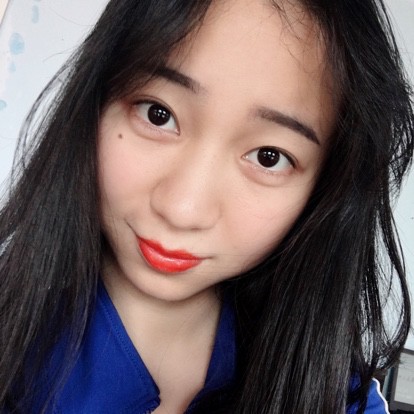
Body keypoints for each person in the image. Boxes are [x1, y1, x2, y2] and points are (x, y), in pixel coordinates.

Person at [0, 0, 413, 412]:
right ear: (95, 103)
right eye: (158, 114)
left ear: (324, 190)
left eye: (268, 157)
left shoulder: (337, 395)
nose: (183, 209)